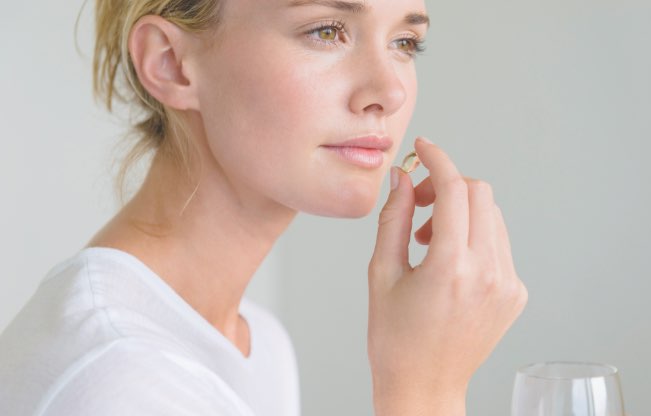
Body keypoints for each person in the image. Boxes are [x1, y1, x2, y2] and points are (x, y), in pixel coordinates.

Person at [0, 0, 528, 414]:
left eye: (406, 42)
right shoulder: (120, 380)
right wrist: (422, 393)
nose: (388, 91)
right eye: (326, 30)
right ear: (171, 64)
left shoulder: (259, 343)